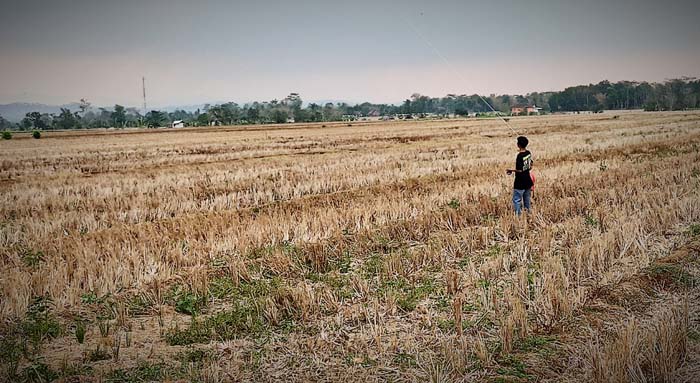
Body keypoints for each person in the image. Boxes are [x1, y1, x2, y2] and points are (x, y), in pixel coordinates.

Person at [506, 136, 533, 215]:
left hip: (520, 182)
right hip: (528, 180)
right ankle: (528, 214)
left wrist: (511, 171)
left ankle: (518, 216)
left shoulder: (519, 156)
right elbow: (531, 165)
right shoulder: (528, 153)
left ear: (518, 145)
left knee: (517, 200)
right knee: (527, 199)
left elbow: (520, 170)